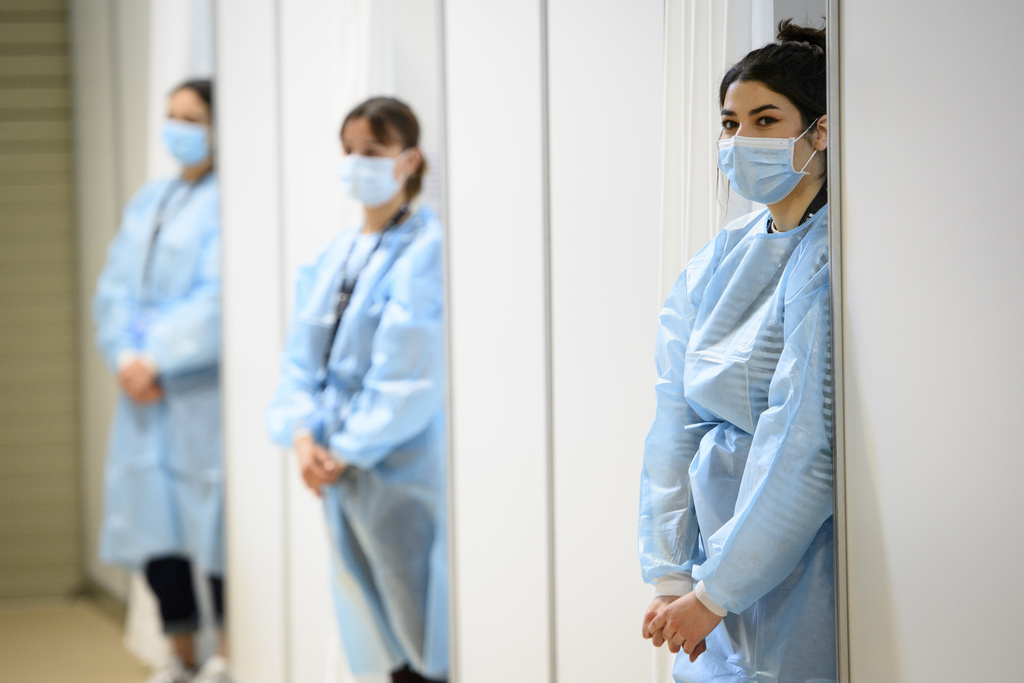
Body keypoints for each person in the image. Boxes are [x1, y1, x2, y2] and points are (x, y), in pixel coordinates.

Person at [638, 21, 836, 683]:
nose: (741, 140)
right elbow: (674, 419)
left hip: (795, 565)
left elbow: (804, 444)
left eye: (765, 120)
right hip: (706, 574)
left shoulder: (827, 259)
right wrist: (673, 575)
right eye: (730, 124)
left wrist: (718, 591)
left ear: (820, 131)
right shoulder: (718, 260)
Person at [266, 96, 448, 683]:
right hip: (335, 466)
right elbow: (299, 360)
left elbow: (408, 376)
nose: (357, 163)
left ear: (408, 159)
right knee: (371, 623)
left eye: (373, 150)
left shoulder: (427, 249)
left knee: (421, 624)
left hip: (395, 465)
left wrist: (344, 450)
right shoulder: (335, 254)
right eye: (349, 150)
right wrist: (303, 437)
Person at [93, 79, 230, 683]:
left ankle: (227, 658)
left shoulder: (228, 202)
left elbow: (218, 297)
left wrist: (157, 357)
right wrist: (126, 355)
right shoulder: (152, 199)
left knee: (216, 527)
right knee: (154, 525)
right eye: (172, 116)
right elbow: (115, 288)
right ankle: (181, 658)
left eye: (192, 118)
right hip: (141, 395)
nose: (178, 129)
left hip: (198, 391)